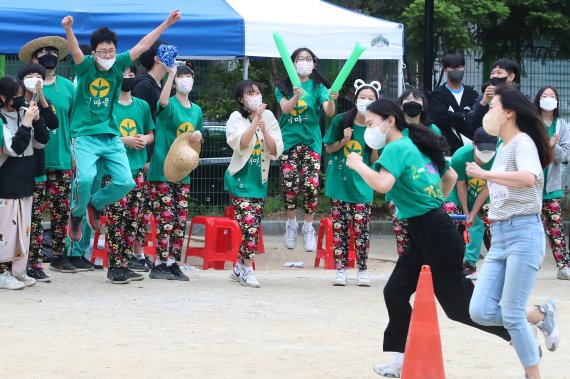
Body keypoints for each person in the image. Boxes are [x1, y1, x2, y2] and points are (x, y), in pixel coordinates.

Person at [344, 98, 513, 378]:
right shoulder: (414, 140)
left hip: (434, 232)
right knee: (395, 292)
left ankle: (514, 330)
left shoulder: (396, 147)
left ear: (389, 121)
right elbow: (449, 175)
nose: (369, 129)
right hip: (427, 229)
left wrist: (357, 164)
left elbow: (383, 184)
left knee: (457, 307)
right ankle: (402, 358)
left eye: (371, 123)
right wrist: (433, 201)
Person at [61, 10, 181, 242]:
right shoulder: (86, 67)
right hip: (85, 136)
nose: (108, 55)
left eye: (111, 50)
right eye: (103, 51)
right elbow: (75, 50)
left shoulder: (119, 65)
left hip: (110, 136)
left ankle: (95, 204)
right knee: (85, 179)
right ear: (94, 52)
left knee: (126, 182)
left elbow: (144, 45)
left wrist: (167, 22)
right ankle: (76, 215)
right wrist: (68, 29)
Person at [468, 86, 560, 379]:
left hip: (524, 233)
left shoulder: (522, 143)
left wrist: (485, 174)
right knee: (480, 311)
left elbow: (527, 178)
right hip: (501, 237)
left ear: (508, 112)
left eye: (493, 106)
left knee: (511, 312)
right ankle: (542, 315)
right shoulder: (504, 147)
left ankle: (533, 375)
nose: (488, 112)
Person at [19, 36, 81, 274]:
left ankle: (58, 256)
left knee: (60, 209)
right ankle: (31, 259)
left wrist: (75, 151)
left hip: (62, 157)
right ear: (34, 60)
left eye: (53, 52)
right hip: (32, 159)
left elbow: (74, 122)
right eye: (43, 52)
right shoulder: (24, 86)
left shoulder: (67, 87)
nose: (49, 56)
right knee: (34, 210)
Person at [275, 47, 338, 252]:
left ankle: (309, 227)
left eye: (308, 58)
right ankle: (292, 224)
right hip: (289, 142)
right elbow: (286, 109)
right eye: (300, 59)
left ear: (314, 64)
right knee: (290, 184)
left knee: (311, 185)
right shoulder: (282, 86)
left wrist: (331, 99)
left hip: (311, 142)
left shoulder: (318, 86)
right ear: (292, 63)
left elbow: (329, 111)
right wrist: (295, 96)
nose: (304, 62)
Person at [225, 80, 284, 288]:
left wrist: (264, 128)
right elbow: (241, 143)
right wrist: (255, 120)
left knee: (253, 226)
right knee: (249, 224)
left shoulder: (268, 117)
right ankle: (248, 270)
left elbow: (276, 149)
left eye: (257, 92)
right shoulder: (236, 118)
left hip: (259, 181)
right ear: (242, 99)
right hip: (239, 180)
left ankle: (238, 266)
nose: (255, 96)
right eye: (250, 93)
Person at [147, 63, 202, 281]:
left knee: (179, 218)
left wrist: (198, 135)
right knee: (166, 216)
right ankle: (160, 262)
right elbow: (161, 102)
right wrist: (170, 75)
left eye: (189, 76)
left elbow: (196, 141)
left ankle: (172, 261)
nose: (185, 79)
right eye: (182, 76)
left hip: (183, 170)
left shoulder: (196, 110)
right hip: (162, 169)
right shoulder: (168, 103)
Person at [323, 79, 380, 286]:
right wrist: (344, 141)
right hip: (340, 183)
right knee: (340, 227)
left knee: (361, 228)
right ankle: (341, 270)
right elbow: (328, 149)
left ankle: (362, 270)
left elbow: (375, 161)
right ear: (356, 100)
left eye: (371, 98)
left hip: (363, 184)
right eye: (362, 98)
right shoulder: (341, 120)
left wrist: (374, 141)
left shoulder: (379, 126)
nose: (366, 101)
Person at [105, 65, 156, 283]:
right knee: (116, 219)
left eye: (131, 74)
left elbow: (151, 133)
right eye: (123, 74)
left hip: (137, 171)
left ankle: (125, 263)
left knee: (133, 220)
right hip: (115, 173)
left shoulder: (142, 105)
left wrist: (145, 139)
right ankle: (114, 266)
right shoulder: (107, 107)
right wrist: (124, 141)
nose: (127, 78)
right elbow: (100, 139)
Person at [0, 76, 48, 289]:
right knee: (6, 229)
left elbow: (41, 142)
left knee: (23, 227)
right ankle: (2, 271)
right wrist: (27, 122)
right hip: (6, 178)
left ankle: (18, 270)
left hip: (26, 176)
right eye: (16, 95)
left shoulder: (22, 113)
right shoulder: (1, 119)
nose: (21, 99)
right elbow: (13, 148)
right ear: (3, 97)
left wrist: (37, 121)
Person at [16, 64, 60, 281]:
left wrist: (41, 99)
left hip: (37, 169)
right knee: (15, 220)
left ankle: (35, 263)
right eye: (29, 76)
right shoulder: (12, 104)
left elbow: (54, 124)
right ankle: (15, 264)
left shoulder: (44, 104)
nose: (34, 79)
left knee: (35, 219)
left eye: (38, 76)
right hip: (14, 171)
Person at [386, 89, 443, 257]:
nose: (412, 102)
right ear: (400, 106)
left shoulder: (433, 129)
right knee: (403, 237)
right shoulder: (394, 130)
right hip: (400, 195)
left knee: (427, 238)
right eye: (408, 99)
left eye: (417, 99)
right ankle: (407, 269)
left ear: (424, 106)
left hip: (427, 193)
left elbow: (439, 162)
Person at [443, 127, 498, 279]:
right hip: (458, 195)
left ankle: (471, 264)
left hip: (483, 196)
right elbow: (460, 185)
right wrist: (466, 211)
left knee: (490, 219)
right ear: (474, 144)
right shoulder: (461, 156)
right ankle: (444, 260)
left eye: (490, 150)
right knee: (448, 215)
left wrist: (473, 213)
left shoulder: (498, 157)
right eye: (482, 150)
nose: (486, 155)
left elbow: (488, 187)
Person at [533, 86, 570, 280]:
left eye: (552, 96)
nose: (548, 98)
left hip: (552, 187)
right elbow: (527, 150)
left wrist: (552, 148)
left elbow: (565, 156)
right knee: (531, 229)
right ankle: (528, 266)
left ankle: (564, 266)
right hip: (530, 187)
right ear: (538, 100)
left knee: (556, 228)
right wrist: (546, 147)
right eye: (545, 95)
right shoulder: (531, 123)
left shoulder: (562, 125)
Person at [430, 53, 480, 154]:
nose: (456, 70)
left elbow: (477, 118)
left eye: (459, 67)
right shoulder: (437, 95)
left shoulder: (472, 93)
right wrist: (464, 116)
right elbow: (440, 119)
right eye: (452, 68)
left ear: (464, 68)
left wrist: (453, 117)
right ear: (445, 70)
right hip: (447, 149)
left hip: (471, 149)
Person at [465, 59, 520, 134]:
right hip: (487, 142)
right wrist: (484, 102)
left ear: (511, 77)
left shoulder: (520, 98)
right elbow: (471, 123)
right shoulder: (483, 97)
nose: (494, 76)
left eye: (499, 73)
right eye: (492, 73)